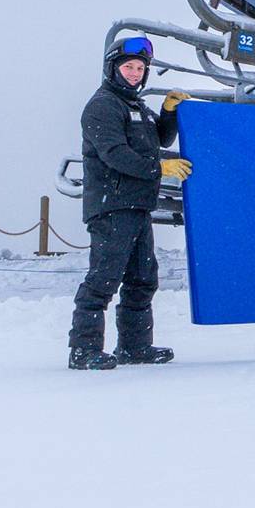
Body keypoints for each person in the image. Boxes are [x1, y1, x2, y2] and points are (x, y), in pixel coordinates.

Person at [68, 36, 193, 371]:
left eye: (140, 68)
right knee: (104, 278)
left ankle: (135, 347)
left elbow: (159, 139)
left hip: (137, 205)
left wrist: (168, 114)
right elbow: (115, 154)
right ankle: (83, 349)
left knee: (142, 278)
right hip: (112, 206)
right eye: (129, 67)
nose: (136, 73)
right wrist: (159, 168)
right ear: (113, 68)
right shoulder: (104, 105)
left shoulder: (134, 105)